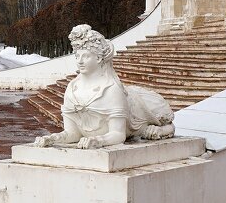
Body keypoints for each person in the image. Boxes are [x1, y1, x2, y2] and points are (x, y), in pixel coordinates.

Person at [33, 24, 175, 149]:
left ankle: (165, 129)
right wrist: (53, 138)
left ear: (99, 58)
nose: (80, 61)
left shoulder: (112, 90)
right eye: (77, 56)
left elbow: (118, 134)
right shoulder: (71, 89)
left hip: (138, 109)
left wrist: (98, 140)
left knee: (160, 119)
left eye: (86, 56)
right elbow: (73, 133)